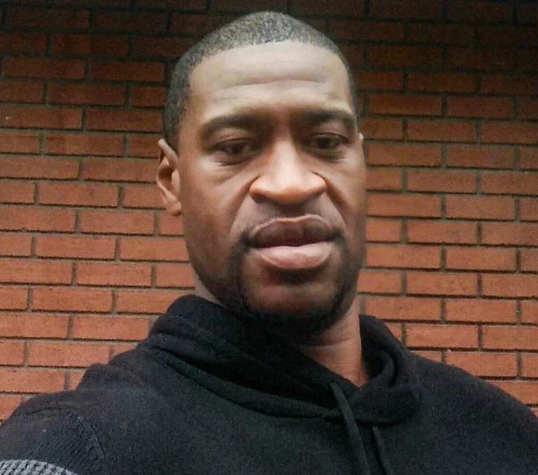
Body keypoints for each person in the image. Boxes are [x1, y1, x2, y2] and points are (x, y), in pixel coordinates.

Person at [0, 11, 537, 475]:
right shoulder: (77, 448)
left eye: (326, 142)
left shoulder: (505, 434)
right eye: (235, 147)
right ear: (171, 180)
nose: (291, 184)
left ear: (361, 162)